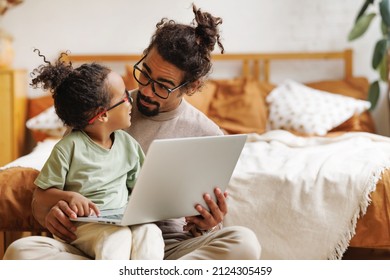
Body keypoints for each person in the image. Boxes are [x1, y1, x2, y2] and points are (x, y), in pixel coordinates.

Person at [4, 4, 261, 260]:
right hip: (94, 237)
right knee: (21, 251)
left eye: (163, 86)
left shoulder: (208, 135)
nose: (147, 91)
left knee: (244, 243)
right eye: (145, 74)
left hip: (168, 247)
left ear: (191, 87)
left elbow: (205, 227)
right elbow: (43, 199)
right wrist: (51, 213)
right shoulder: (98, 108)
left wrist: (207, 224)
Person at [22, 50, 164, 260]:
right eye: (124, 96)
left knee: (150, 233)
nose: (130, 100)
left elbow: (140, 189)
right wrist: (69, 196)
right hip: (85, 225)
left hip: (123, 219)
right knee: (117, 238)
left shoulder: (128, 145)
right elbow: (42, 195)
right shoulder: (68, 148)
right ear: (103, 114)